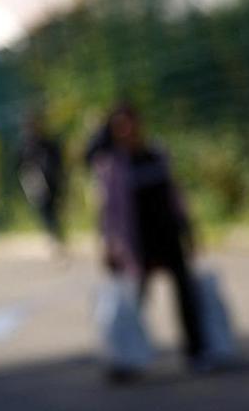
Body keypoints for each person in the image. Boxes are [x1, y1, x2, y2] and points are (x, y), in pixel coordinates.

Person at [88, 103, 206, 377]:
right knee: (133, 299)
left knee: (185, 291)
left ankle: (197, 349)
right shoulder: (110, 164)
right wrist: (108, 244)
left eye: (131, 123)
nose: (127, 130)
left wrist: (189, 228)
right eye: (121, 125)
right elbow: (106, 210)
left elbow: (175, 194)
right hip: (135, 241)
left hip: (167, 233)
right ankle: (128, 356)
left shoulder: (156, 153)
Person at [16, 113, 66, 254]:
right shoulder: (25, 147)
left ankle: (58, 235)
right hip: (36, 185)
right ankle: (53, 236)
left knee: (55, 210)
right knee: (45, 211)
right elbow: (20, 166)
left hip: (52, 182)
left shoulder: (48, 144)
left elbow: (58, 162)